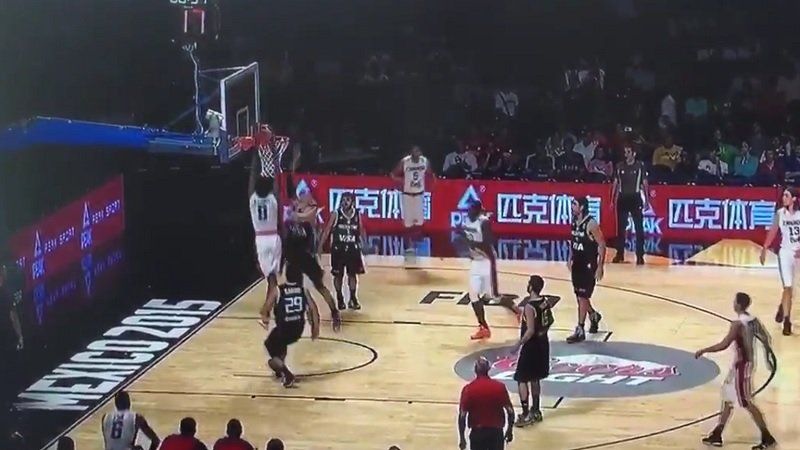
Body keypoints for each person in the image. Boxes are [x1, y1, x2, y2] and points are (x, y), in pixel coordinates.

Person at [695, 292, 777, 449]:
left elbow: (724, 344)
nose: (733, 303)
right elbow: (766, 338)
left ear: (738, 304)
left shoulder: (738, 324)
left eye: (734, 301)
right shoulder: (753, 320)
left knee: (746, 402)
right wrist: (768, 358)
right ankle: (717, 434)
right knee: (727, 398)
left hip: (742, 366)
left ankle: (767, 437)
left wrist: (704, 350)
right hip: (741, 366)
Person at [282, 155, 342, 331]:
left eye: (306, 194)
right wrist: (293, 165)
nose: (303, 195)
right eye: (302, 193)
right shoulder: (294, 206)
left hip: (306, 255)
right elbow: (290, 186)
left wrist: (294, 214)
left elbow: (301, 217)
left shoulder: (312, 212)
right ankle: (310, 314)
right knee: (297, 289)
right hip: (293, 256)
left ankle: (334, 312)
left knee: (319, 286)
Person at [261, 263, 320, 388]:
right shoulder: (303, 290)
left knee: (270, 352)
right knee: (281, 344)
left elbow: (266, 308)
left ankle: (285, 372)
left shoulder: (278, 290)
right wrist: (315, 328)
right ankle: (281, 370)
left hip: (284, 328)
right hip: (298, 329)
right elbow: (313, 309)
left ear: (286, 275)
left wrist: (265, 317)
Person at [513, 275, 560, 427]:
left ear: (531, 287)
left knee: (521, 378)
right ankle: (536, 410)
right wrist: (542, 332)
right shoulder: (544, 302)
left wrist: (518, 344)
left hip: (531, 346)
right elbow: (550, 321)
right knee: (535, 378)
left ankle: (526, 414)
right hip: (543, 343)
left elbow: (530, 330)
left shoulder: (529, 306)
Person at [249, 148, 283, 333]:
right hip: (274, 238)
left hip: (261, 239)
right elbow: (277, 180)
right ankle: (267, 313)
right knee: (273, 281)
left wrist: (255, 155)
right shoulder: (273, 198)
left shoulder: (252, 199)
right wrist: (276, 158)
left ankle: (265, 314)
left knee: (271, 281)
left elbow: (252, 178)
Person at [759, 188, 799, 336]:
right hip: (785, 252)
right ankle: (787, 321)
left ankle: (783, 307)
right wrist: (764, 248)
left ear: (794, 199)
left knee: (792, 289)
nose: (783, 197)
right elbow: (773, 231)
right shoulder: (780, 214)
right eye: (783, 195)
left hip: (798, 254)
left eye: (787, 195)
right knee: (787, 287)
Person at [318, 192, 367, 311]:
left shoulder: (357, 214)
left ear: (352, 202)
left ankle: (353, 298)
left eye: (348, 200)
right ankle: (340, 297)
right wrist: (320, 245)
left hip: (353, 249)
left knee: (353, 275)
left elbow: (361, 230)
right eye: (343, 200)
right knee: (338, 275)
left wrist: (365, 243)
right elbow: (327, 230)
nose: (345, 202)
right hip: (338, 250)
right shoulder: (336, 214)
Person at [456, 201, 497, 340]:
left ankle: (516, 310)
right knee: (473, 296)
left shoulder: (484, 222)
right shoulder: (467, 221)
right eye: (468, 210)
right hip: (475, 262)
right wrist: (461, 235)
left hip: (487, 261)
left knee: (491, 297)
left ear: (478, 211)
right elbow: (464, 237)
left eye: (472, 210)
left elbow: (488, 242)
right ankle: (484, 327)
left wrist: (471, 243)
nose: (469, 212)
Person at [566, 196, 606, 343]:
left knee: (583, 297)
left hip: (588, 266)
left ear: (582, 207)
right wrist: (570, 258)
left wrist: (600, 266)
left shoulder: (591, 224)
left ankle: (580, 329)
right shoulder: (574, 221)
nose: (572, 206)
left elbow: (602, 245)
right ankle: (594, 315)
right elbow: (573, 242)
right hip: (577, 264)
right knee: (580, 297)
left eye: (575, 204)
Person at [457, 357, 514, 450]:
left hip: (478, 434)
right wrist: (509, 430)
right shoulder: (500, 387)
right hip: (496, 433)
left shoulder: (468, 389)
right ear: (488, 369)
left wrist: (462, 438)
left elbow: (462, 416)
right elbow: (510, 411)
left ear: (475, 370)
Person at [390, 145, 434, 262]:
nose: (417, 154)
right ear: (411, 153)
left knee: (419, 222)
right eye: (414, 152)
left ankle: (417, 245)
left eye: (418, 152)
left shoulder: (424, 161)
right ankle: (408, 246)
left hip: (419, 194)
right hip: (407, 194)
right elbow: (393, 175)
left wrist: (432, 181)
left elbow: (430, 173)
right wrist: (402, 181)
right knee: (408, 224)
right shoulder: (405, 162)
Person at [611, 146, 647, 265]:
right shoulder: (619, 166)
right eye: (625, 152)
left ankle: (640, 255)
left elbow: (644, 183)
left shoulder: (640, 166)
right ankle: (619, 254)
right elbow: (615, 183)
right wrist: (612, 200)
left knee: (639, 228)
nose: (626, 154)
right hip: (623, 198)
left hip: (635, 198)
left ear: (634, 153)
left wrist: (647, 200)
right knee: (621, 228)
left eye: (628, 152)